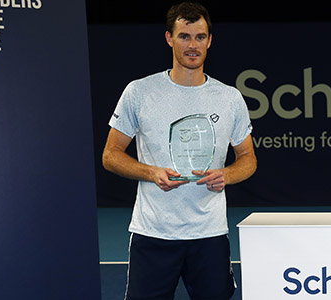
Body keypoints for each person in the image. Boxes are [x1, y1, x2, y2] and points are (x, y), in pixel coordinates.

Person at [102, 2, 256, 299]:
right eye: (184, 36)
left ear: (210, 40)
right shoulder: (139, 92)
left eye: (200, 37)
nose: (192, 45)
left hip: (209, 235)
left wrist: (226, 174)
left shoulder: (230, 98)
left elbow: (248, 159)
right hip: (153, 234)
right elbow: (111, 155)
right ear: (169, 38)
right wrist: (151, 173)